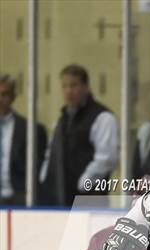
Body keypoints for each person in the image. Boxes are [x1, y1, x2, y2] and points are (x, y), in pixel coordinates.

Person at [40, 64, 118, 206]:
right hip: (61, 199)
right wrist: (45, 180)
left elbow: (107, 159)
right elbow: (50, 155)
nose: (69, 91)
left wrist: (83, 182)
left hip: (90, 199)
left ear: (86, 87)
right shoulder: (62, 121)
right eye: (65, 86)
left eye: (74, 85)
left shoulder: (102, 117)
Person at [0, 74, 47, 206]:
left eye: (4, 95)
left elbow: (38, 168)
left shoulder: (31, 129)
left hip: (19, 198)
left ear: (13, 97)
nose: (0, 99)